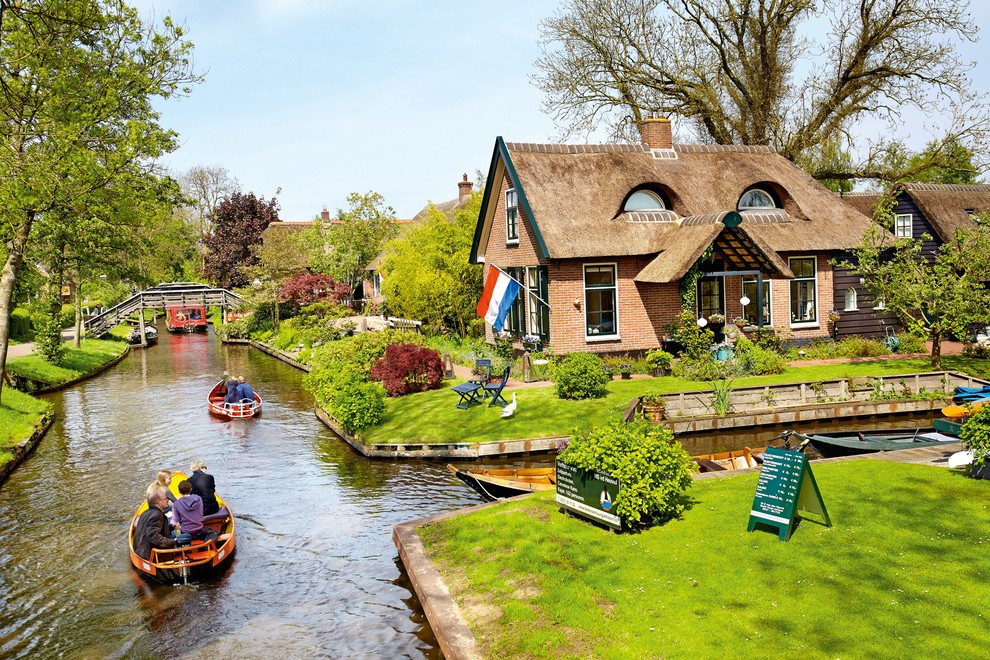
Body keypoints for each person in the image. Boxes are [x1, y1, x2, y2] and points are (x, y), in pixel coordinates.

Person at [171, 480, 219, 546]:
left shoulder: (176, 504)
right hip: (199, 530)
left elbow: (176, 522)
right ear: (191, 489)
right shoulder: (198, 498)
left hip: (186, 532)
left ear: (179, 491)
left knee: (172, 531)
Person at [133, 491, 176, 560]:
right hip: (148, 555)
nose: (167, 500)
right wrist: (172, 542)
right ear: (158, 502)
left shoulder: (146, 512)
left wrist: (171, 527)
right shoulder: (157, 515)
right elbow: (152, 535)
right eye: (165, 499)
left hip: (139, 551)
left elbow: (152, 530)